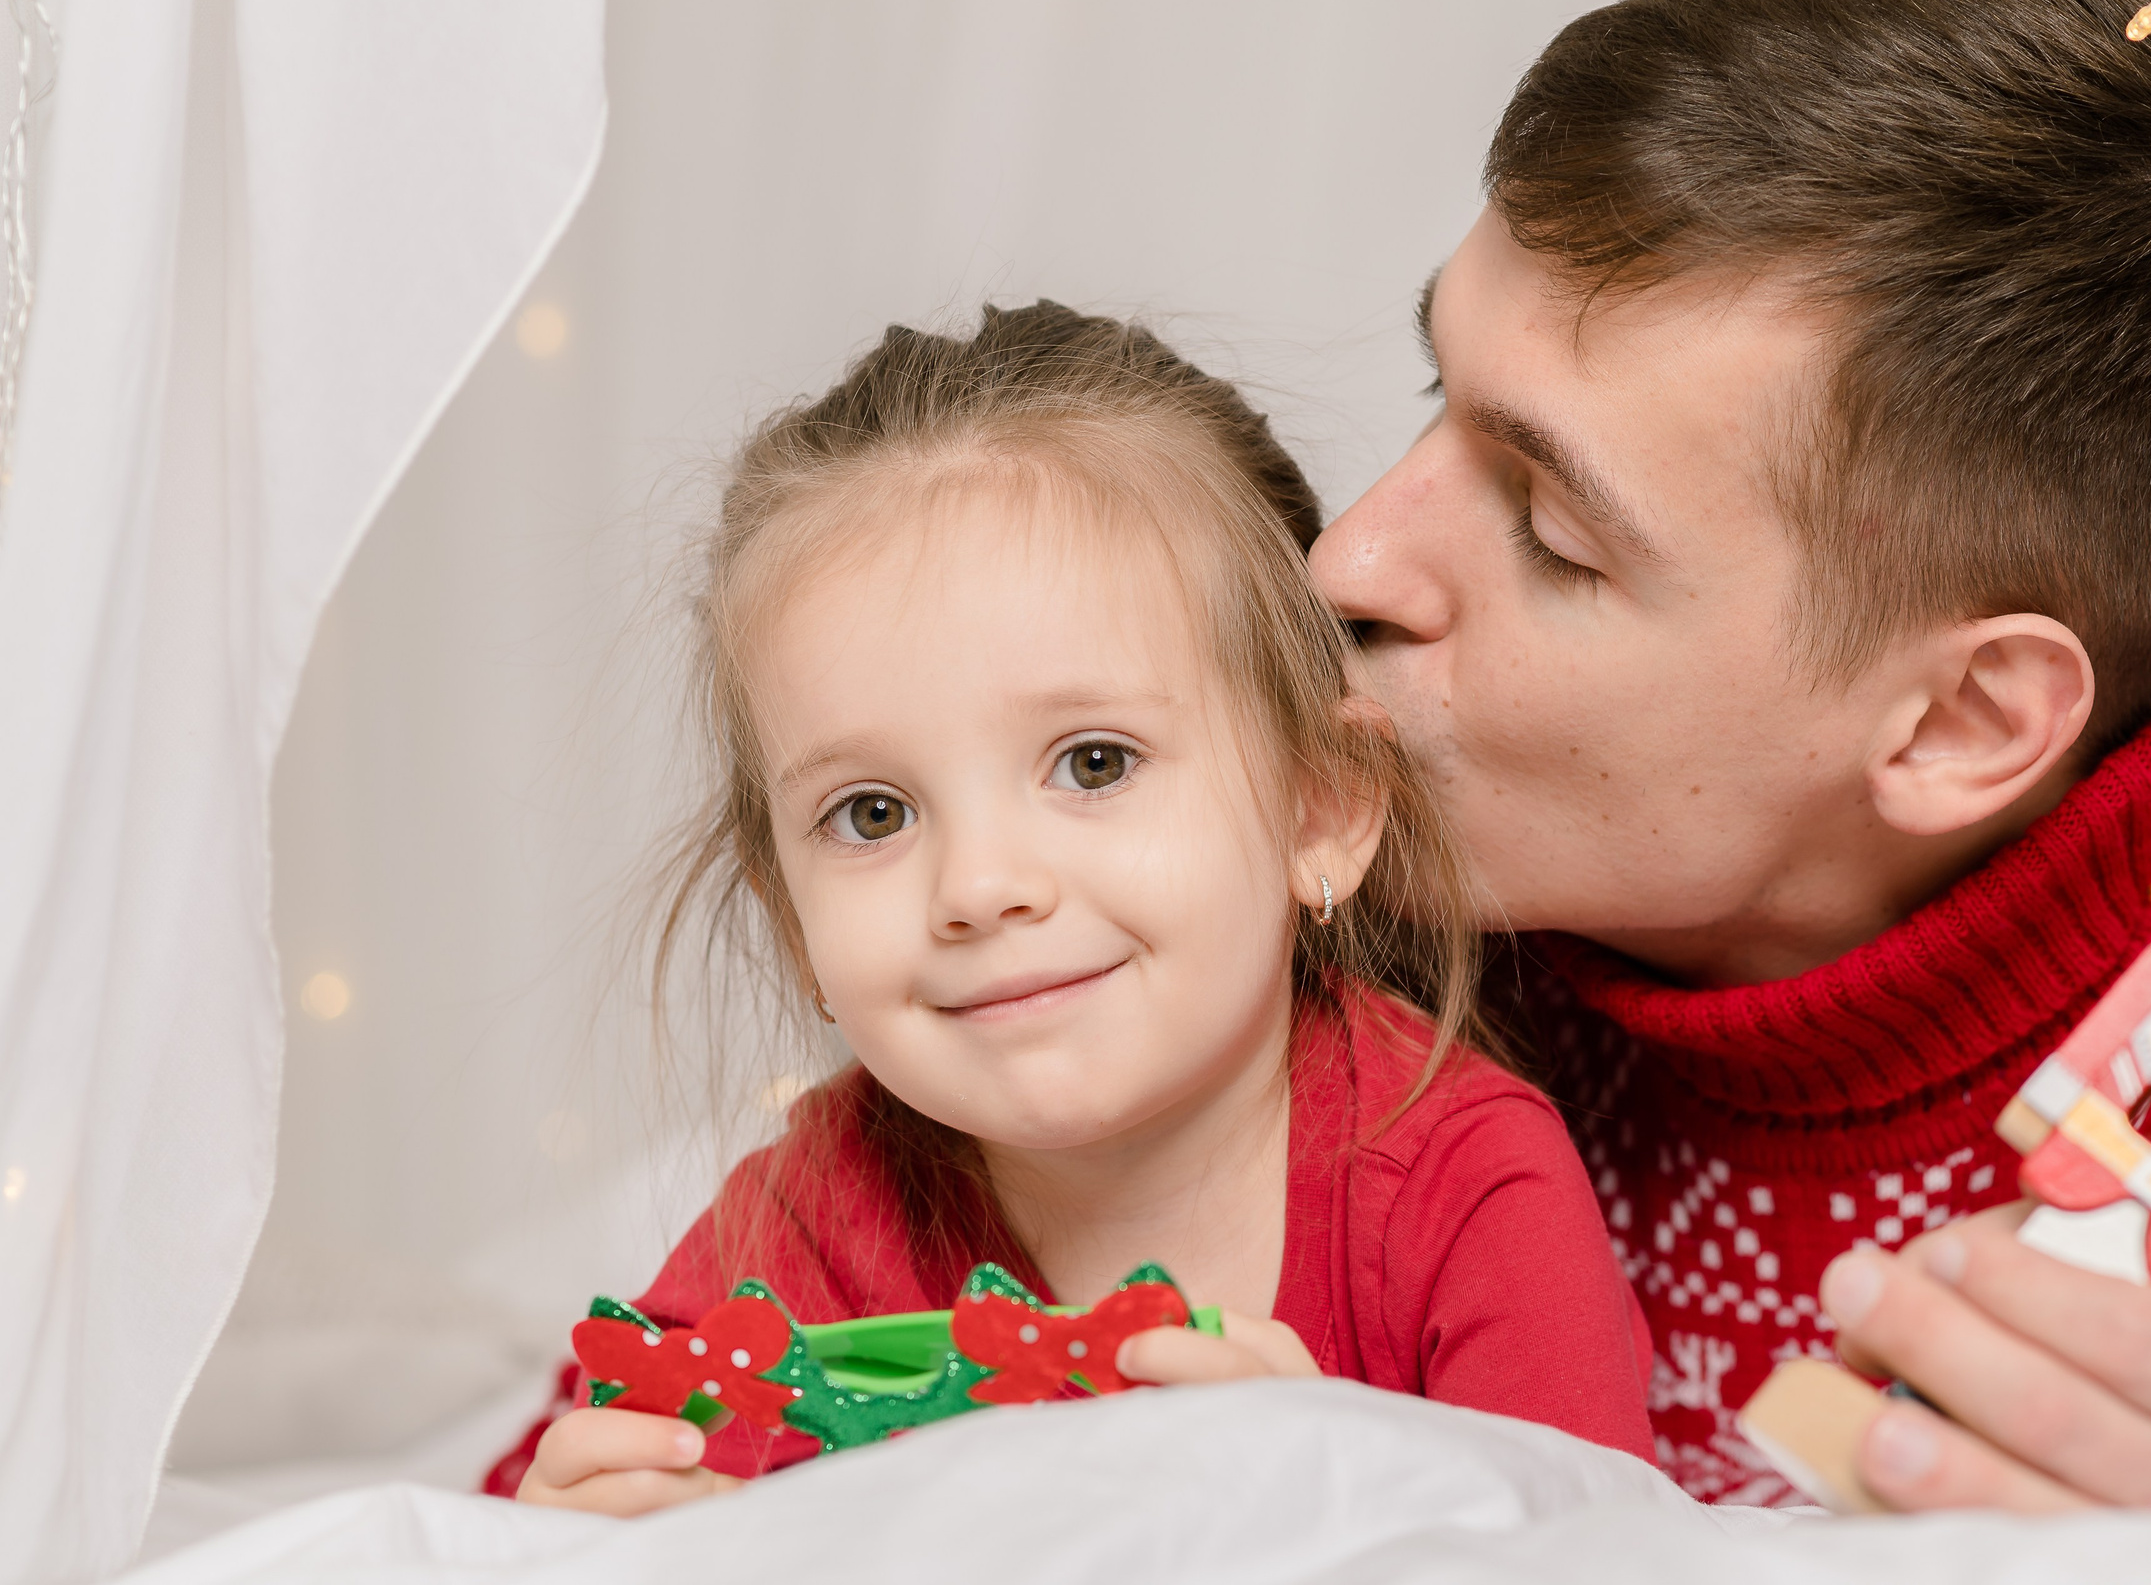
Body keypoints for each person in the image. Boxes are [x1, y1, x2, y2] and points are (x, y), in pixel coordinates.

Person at [1310, 0, 2151, 1509]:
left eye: (1556, 534)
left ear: (1964, 720)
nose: (1345, 556)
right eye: (1440, 396)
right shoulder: (1311, 844)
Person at [494, 302, 1652, 1513]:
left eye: (1093, 762)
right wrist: (591, 1538)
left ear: (1318, 810)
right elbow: (616, 1488)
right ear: (792, 923)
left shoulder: (1466, 1188)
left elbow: (1602, 1549)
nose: (981, 887)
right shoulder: (809, 1219)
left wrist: (1337, 1494)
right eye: (874, 815)